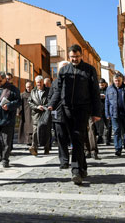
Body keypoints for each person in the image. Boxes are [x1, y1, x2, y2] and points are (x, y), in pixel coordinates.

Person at [48, 44, 101, 185]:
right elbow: (58, 90)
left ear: (81, 55)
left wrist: (96, 112)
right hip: (67, 109)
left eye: (77, 57)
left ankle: (76, 170)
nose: (74, 59)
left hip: (83, 109)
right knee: (74, 138)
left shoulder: (89, 70)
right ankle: (83, 167)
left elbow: (95, 92)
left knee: (77, 138)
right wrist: (52, 104)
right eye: (72, 57)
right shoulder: (64, 71)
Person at [0, 71, 20, 168]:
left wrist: (10, 105)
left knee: (7, 141)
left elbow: (18, 102)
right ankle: (1, 153)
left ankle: (5, 159)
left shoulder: (13, 89)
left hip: (7, 119)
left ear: (4, 79)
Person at [105, 72, 125, 156]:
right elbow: (107, 103)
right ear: (113, 80)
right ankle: (118, 149)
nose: (117, 82)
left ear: (122, 80)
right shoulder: (109, 89)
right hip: (114, 114)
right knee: (116, 131)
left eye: (119, 81)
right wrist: (107, 114)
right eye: (115, 81)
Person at [29, 75, 52, 156]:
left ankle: (46, 148)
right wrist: (37, 107)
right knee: (35, 131)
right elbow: (30, 102)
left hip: (45, 114)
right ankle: (34, 148)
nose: (39, 84)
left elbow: (51, 101)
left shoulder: (49, 90)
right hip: (36, 114)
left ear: (43, 82)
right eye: (38, 82)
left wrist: (45, 107)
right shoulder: (33, 91)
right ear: (36, 83)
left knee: (46, 131)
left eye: (40, 82)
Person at [18, 81, 34, 146]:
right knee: (25, 127)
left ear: (32, 87)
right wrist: (19, 111)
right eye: (27, 87)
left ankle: (33, 141)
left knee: (33, 127)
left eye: (29, 87)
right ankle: (27, 141)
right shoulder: (22, 95)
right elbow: (19, 104)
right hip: (25, 113)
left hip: (33, 112)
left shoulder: (35, 94)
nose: (28, 88)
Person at [98, 79, 111, 145]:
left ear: (105, 84)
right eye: (100, 85)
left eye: (102, 84)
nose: (101, 86)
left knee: (107, 125)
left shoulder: (108, 90)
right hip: (99, 109)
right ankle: (100, 138)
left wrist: (106, 97)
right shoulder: (97, 90)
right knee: (100, 125)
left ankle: (107, 139)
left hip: (107, 110)